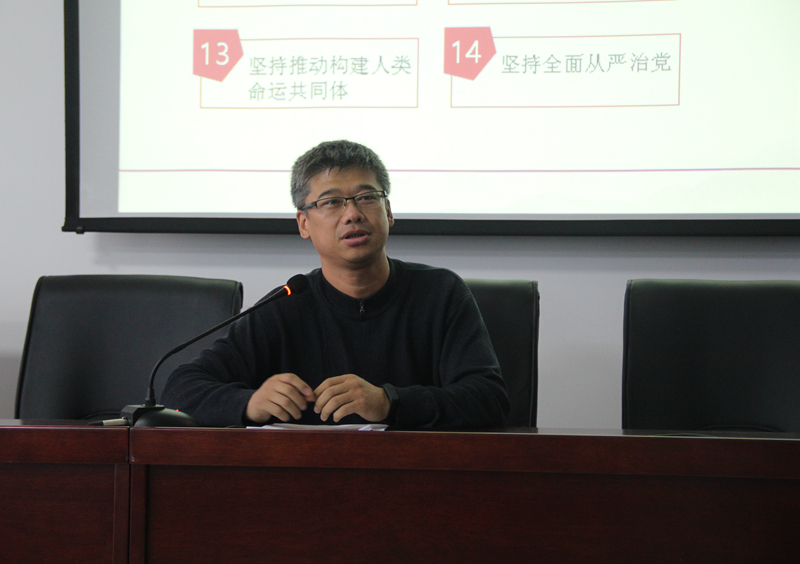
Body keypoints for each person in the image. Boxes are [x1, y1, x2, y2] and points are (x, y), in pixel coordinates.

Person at [162, 140, 509, 429]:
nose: (352, 214)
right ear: (304, 223)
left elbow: (490, 400)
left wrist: (389, 402)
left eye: (367, 197)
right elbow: (179, 388)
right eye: (331, 202)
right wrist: (248, 403)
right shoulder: (284, 306)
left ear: (388, 211)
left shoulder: (440, 293)